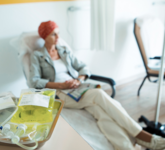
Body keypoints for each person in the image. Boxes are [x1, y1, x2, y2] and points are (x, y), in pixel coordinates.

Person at [29, 20, 165, 150]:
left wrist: (79, 80)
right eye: (54, 34)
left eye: (58, 33)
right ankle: (142, 136)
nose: (58, 37)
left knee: (100, 111)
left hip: (76, 88)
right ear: (45, 36)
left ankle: (127, 147)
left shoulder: (63, 51)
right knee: (99, 94)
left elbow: (83, 67)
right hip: (59, 94)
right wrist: (60, 86)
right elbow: (34, 81)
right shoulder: (37, 55)